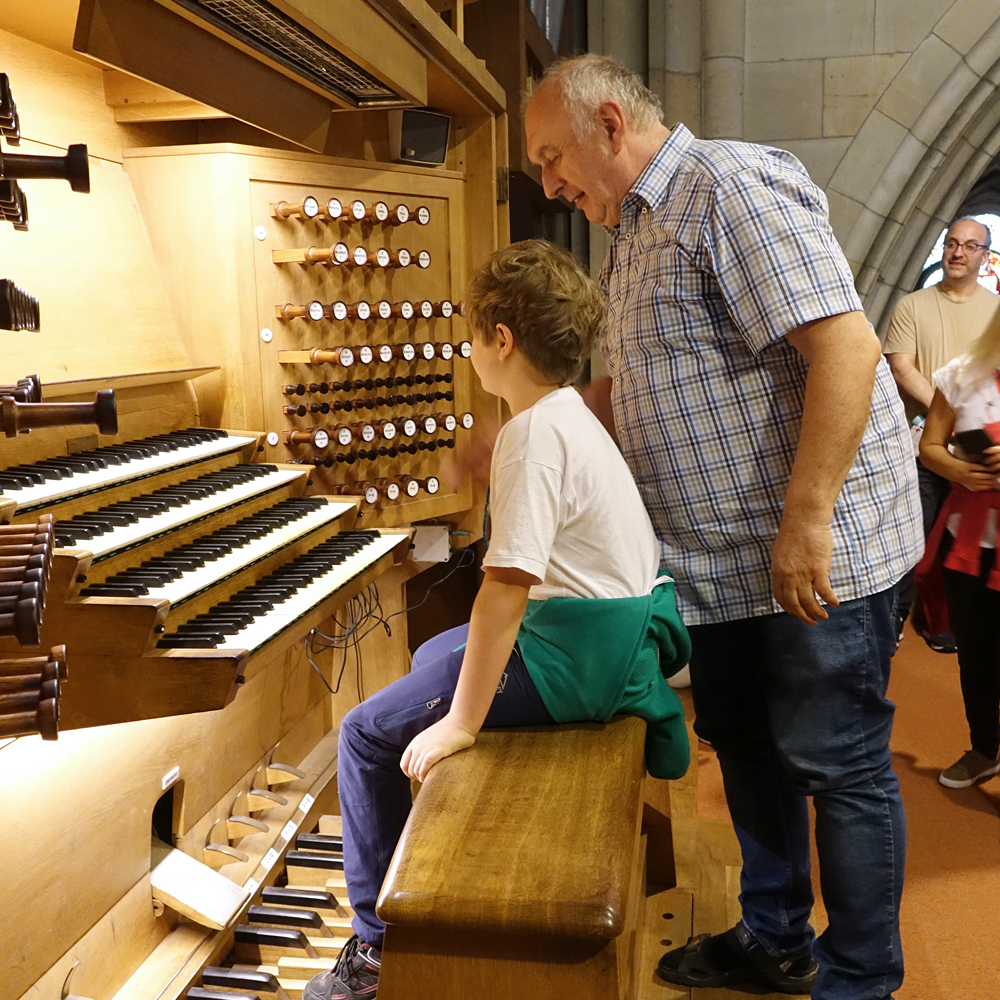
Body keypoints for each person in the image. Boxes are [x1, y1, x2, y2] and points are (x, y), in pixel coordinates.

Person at [525, 54, 921, 999]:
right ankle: (777, 937)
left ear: (609, 125)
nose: (546, 184)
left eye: (551, 158)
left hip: (819, 557)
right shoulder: (634, 237)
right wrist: (527, 432)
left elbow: (848, 347)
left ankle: (862, 979)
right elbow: (645, 387)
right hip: (721, 569)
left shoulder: (727, 186)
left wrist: (806, 520)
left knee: (839, 764)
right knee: (745, 746)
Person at [302, 239, 692, 1000]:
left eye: (471, 335)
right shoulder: (563, 414)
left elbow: (504, 594)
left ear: (501, 339)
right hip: (599, 639)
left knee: (364, 735)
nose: (467, 350)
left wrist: (461, 725)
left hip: (574, 664)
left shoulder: (534, 436)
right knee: (434, 656)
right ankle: (426, 840)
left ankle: (378, 954)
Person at [884, 217, 999, 652]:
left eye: (970, 246)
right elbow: (900, 367)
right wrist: (949, 412)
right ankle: (894, 616)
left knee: (965, 541)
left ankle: (945, 621)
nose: (957, 252)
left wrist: (967, 420)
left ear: (984, 257)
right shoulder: (913, 305)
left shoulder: (994, 311)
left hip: (982, 448)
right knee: (912, 537)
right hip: (924, 445)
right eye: (951, 243)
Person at [917, 310, 1000, 788]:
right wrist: (962, 470)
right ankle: (985, 747)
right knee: (975, 652)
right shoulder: (964, 373)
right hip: (969, 540)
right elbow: (931, 445)